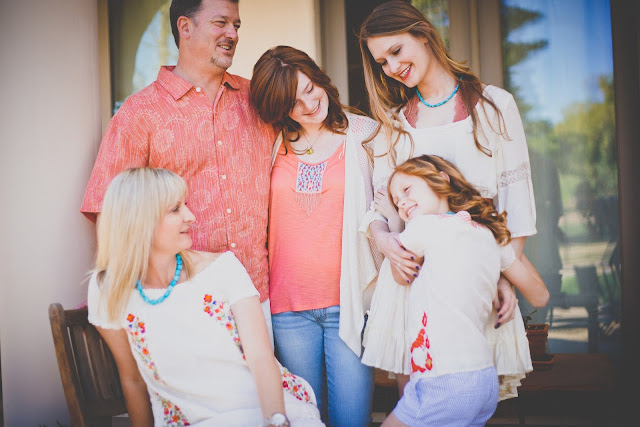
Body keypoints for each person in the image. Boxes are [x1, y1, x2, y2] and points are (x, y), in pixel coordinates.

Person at [358, 0, 537, 394]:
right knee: (416, 405)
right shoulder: (394, 127)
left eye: (396, 51)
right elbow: (380, 211)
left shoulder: (495, 107)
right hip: (410, 288)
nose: (392, 67)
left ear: (423, 34)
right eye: (382, 62)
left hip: (473, 283)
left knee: (466, 405)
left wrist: (498, 274)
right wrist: (385, 242)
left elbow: (516, 209)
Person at [81, 0, 277, 339]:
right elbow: (108, 211)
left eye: (236, 25)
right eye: (220, 23)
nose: (232, 34)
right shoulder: (138, 114)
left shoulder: (258, 100)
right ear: (185, 27)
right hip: (182, 305)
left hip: (261, 297)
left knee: (263, 376)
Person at [88, 167, 324, 426]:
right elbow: (133, 379)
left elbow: (260, 356)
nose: (190, 216)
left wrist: (275, 420)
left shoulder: (223, 268)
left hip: (265, 408)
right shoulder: (108, 290)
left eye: (185, 205)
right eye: (175, 209)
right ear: (139, 221)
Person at [249, 46, 382, 426]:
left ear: (320, 79)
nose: (309, 104)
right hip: (288, 310)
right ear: (279, 108)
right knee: (304, 419)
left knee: (352, 419)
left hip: (349, 305)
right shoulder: (270, 142)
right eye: (294, 101)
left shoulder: (365, 134)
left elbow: (387, 206)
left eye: (310, 88)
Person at [379, 155, 548, 427]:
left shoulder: (423, 227)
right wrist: (503, 277)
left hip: (443, 381)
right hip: (483, 379)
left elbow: (401, 276)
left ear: (441, 179)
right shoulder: (488, 233)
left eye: (407, 190)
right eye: (397, 203)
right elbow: (540, 296)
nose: (402, 203)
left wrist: (392, 221)